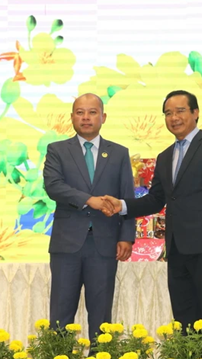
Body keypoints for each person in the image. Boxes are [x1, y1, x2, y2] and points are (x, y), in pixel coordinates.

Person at [102, 90, 202, 341]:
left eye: (180, 111)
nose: (173, 117)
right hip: (176, 248)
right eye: (168, 113)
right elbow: (156, 200)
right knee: (184, 313)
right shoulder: (165, 157)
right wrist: (121, 205)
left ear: (196, 113)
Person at [43, 93, 135, 341]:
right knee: (61, 314)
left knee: (101, 316)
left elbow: (127, 198)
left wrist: (127, 237)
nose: (86, 117)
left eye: (92, 112)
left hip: (105, 245)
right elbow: (53, 187)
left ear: (103, 117)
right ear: (72, 117)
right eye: (80, 112)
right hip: (67, 245)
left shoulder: (118, 153)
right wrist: (89, 200)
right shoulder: (57, 150)